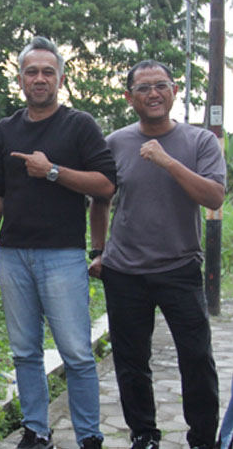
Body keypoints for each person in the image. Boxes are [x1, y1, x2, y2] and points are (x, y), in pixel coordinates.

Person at [0, 36, 116, 449]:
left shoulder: (80, 125)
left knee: (76, 353)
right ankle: (37, 431)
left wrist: (53, 170)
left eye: (47, 72)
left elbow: (106, 185)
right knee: (24, 352)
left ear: (60, 79)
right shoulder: (6, 130)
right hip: (13, 255)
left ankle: (89, 436)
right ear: (20, 78)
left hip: (63, 256)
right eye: (32, 71)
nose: (39, 78)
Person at [88, 60, 224, 449]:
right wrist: (98, 250)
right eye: (143, 88)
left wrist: (168, 161)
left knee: (196, 358)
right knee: (131, 362)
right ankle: (144, 435)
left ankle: (203, 439)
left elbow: (214, 197)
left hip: (180, 267)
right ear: (129, 97)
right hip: (124, 271)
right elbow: (101, 198)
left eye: (161, 86)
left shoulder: (200, 142)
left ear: (174, 91)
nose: (153, 94)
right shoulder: (115, 142)